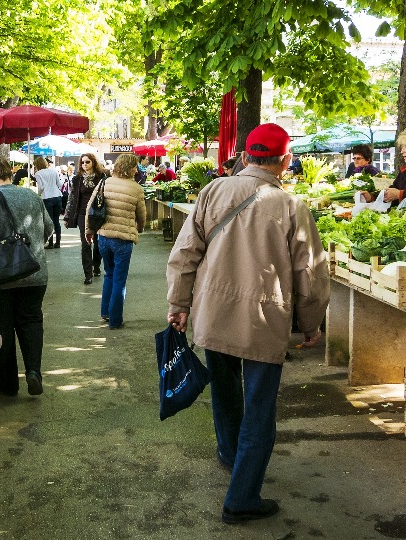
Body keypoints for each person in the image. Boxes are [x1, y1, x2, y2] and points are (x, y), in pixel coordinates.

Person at [165, 123, 330, 524]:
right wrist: (310, 325)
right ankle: (242, 497)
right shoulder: (292, 207)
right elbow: (311, 274)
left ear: (243, 157)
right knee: (260, 409)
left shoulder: (213, 191)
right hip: (263, 319)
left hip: (214, 313)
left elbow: (185, 252)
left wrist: (178, 303)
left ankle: (229, 453)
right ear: (286, 161)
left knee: (224, 393)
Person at [0, 157, 53, 397]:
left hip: (0, 276)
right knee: (31, 321)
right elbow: (48, 229)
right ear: (10, 173)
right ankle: (34, 372)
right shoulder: (31, 196)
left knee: (1, 328)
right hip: (35, 272)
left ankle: (7, 383)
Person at [85, 154, 145, 329]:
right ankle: (116, 320)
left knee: (109, 275)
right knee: (120, 279)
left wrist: (89, 230)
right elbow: (141, 216)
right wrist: (139, 229)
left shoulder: (105, 182)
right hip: (123, 240)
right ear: (130, 168)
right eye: (135, 166)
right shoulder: (136, 189)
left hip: (103, 237)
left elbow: (90, 207)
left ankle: (105, 312)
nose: (136, 169)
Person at [64, 152, 107, 284]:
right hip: (83, 214)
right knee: (85, 244)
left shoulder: (102, 177)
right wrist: (67, 216)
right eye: (82, 162)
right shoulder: (77, 179)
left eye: (87, 162)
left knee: (98, 243)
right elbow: (71, 198)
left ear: (93, 162)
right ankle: (88, 274)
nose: (85, 165)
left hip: (98, 214)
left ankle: (96, 266)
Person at [34, 156, 64, 249]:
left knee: (49, 221)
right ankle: (58, 242)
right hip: (57, 196)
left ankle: (50, 243)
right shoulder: (53, 171)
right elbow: (59, 184)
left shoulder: (38, 174)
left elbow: (41, 188)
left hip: (47, 198)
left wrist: (37, 195)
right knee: (56, 220)